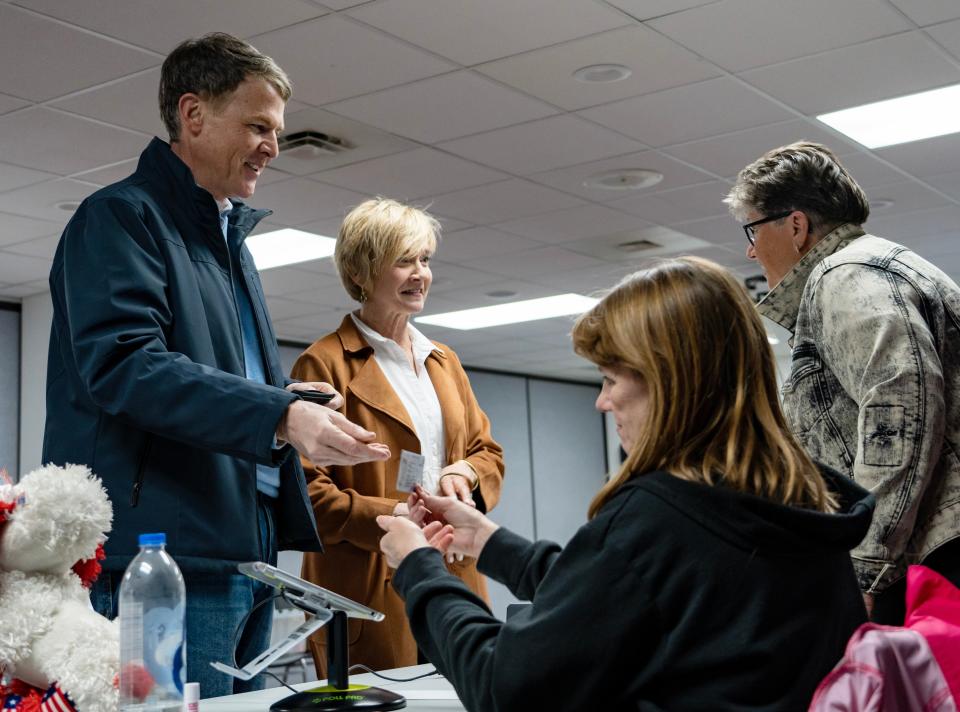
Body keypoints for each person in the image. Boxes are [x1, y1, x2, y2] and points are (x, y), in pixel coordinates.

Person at [42, 33, 389, 697]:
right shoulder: (121, 218)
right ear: (193, 115)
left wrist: (286, 397)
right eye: (258, 126)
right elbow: (126, 367)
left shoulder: (232, 242)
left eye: (278, 131)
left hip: (244, 553)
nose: (272, 147)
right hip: (159, 557)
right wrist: (277, 412)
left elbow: (210, 376)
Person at [377, 257, 874, 711]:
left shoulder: (657, 518)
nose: (602, 401)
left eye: (612, 379)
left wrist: (419, 568)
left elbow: (505, 688)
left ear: (670, 383)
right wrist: (488, 542)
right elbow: (624, 594)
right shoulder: (799, 498)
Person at [726, 141, 960, 625]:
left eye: (752, 229)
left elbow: (901, 409)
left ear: (795, 225)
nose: (749, 249)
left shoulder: (845, 275)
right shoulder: (869, 268)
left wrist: (866, 564)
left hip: (940, 553)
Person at [290, 197, 504, 675]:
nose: (419, 274)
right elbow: (307, 493)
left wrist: (464, 472)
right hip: (370, 585)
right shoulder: (323, 363)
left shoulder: (443, 360)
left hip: (454, 572)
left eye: (424, 260)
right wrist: (395, 516)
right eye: (403, 261)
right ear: (362, 272)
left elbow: (486, 451)